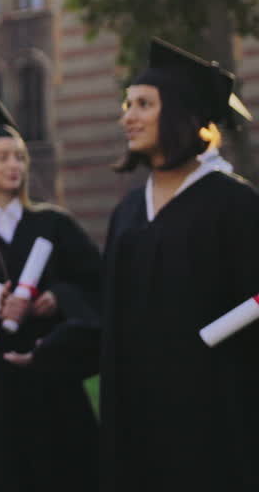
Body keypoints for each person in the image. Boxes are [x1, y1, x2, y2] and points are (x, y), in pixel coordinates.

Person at [100, 38, 259, 491]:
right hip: (136, 420)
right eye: (127, 104)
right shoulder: (128, 212)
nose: (127, 116)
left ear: (182, 114)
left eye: (144, 104)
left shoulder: (234, 204)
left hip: (213, 417)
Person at [0, 101, 101, 492]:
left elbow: (97, 284)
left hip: (50, 382)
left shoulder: (53, 224)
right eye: (2, 158)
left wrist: (57, 298)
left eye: (19, 157)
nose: (15, 165)